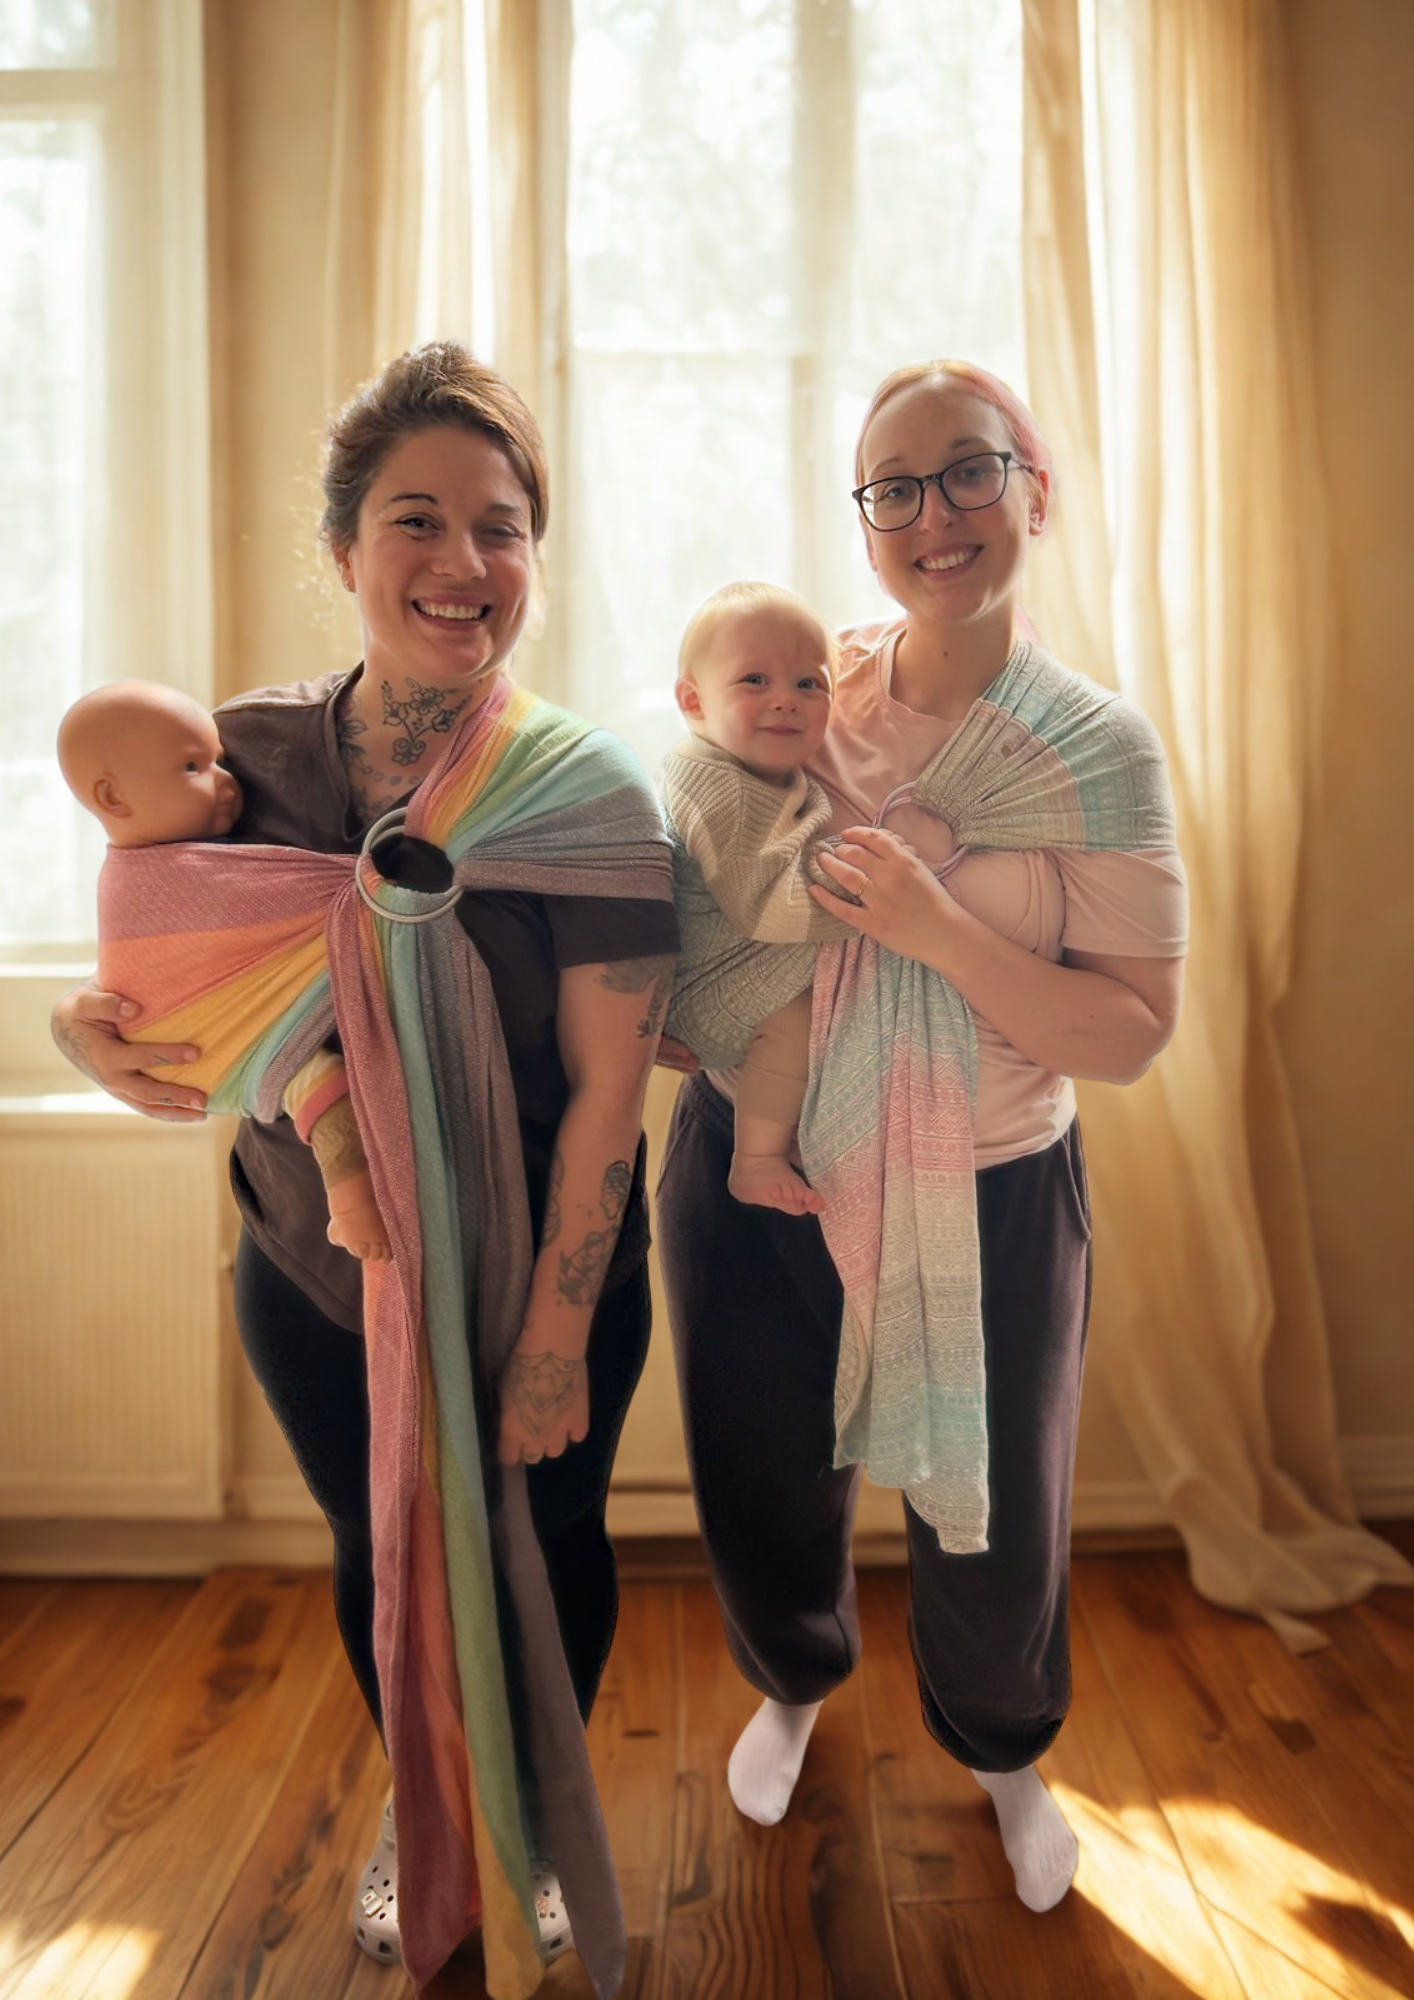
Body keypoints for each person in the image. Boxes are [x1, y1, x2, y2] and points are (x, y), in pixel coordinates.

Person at [50, 342, 678, 1989]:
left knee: (546, 1544)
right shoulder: (235, 760)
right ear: (342, 549)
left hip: (550, 1269)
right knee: (375, 1540)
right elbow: (161, 955)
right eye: (416, 519)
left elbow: (610, 1095)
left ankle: (529, 1827)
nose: (461, 561)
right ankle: (428, 1807)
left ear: (533, 555)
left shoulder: (588, 796)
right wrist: (80, 1030)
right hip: (317, 1271)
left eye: (500, 526)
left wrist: (555, 1334)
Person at [656, 360, 1187, 1915]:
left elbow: (1129, 1033)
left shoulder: (1094, 752)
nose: (932, 514)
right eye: (893, 487)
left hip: (986, 1181)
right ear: (865, 519)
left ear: (1035, 490)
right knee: (760, 1465)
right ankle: (791, 1682)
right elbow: (691, 844)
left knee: (995, 1511)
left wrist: (937, 928)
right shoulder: (805, 682)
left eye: (968, 470)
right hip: (759, 1164)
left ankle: (1005, 1750)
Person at [55, 679, 390, 1262]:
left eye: (217, 761)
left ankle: (351, 1205)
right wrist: (69, 1020)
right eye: (195, 767)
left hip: (191, 1055)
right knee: (326, 1090)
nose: (227, 781)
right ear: (112, 797)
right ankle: (352, 1201)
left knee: (319, 1088)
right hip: (201, 1051)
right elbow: (323, 899)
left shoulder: (156, 866)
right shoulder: (157, 873)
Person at [662, 581, 847, 1216]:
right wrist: (865, 896)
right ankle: (757, 1158)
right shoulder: (718, 791)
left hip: (711, 972)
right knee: (793, 1015)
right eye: (754, 680)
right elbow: (764, 906)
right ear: (694, 701)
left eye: (809, 683)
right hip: (703, 993)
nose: (785, 700)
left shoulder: (753, 770)